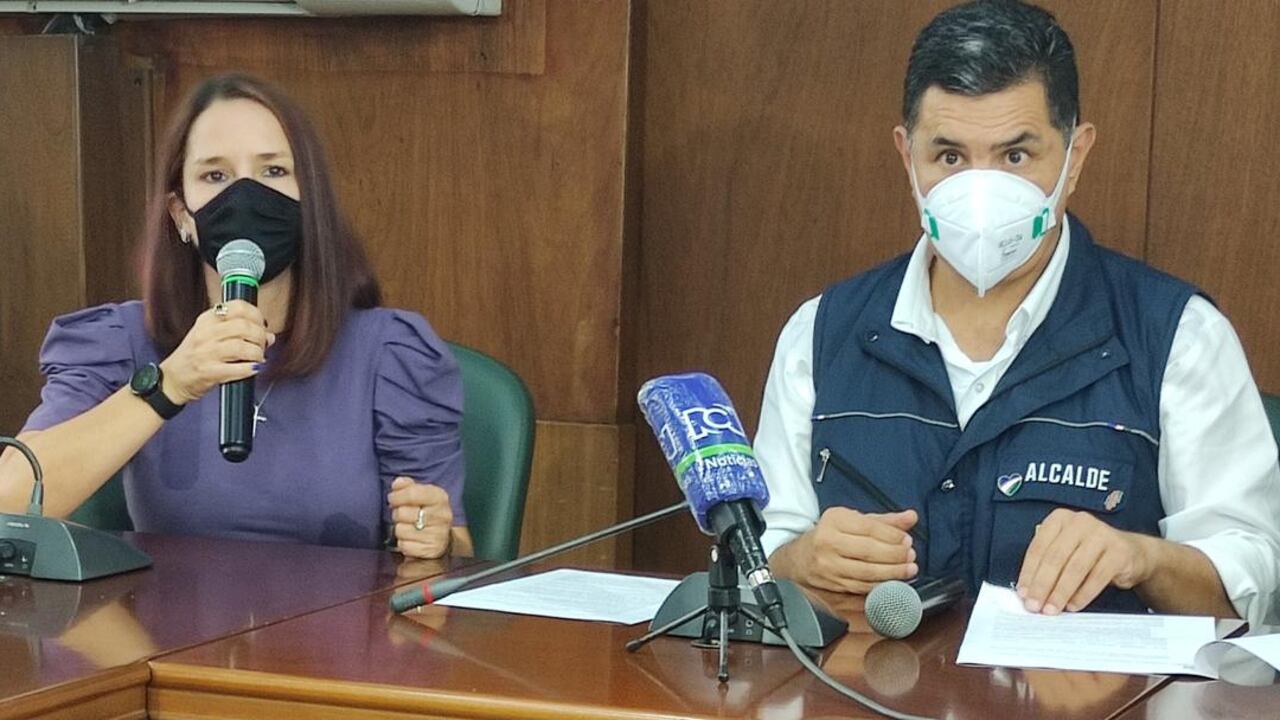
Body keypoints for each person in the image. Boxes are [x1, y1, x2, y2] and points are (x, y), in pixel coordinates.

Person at [754, 0, 1280, 627]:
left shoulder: (1178, 337)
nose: (981, 193)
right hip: (863, 682)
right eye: (950, 157)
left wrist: (1141, 558)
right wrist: (798, 561)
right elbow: (761, 553)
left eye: (1015, 157)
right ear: (907, 157)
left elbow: (1250, 585)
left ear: (1075, 157)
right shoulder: (820, 335)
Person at [0, 73, 472, 560]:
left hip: (342, 612)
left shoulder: (390, 353)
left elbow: (455, 550)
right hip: (169, 611)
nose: (246, 196)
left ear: (310, 201)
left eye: (273, 171)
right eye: (215, 176)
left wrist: (433, 535)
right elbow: (10, 502)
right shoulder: (120, 341)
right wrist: (167, 386)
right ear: (181, 214)